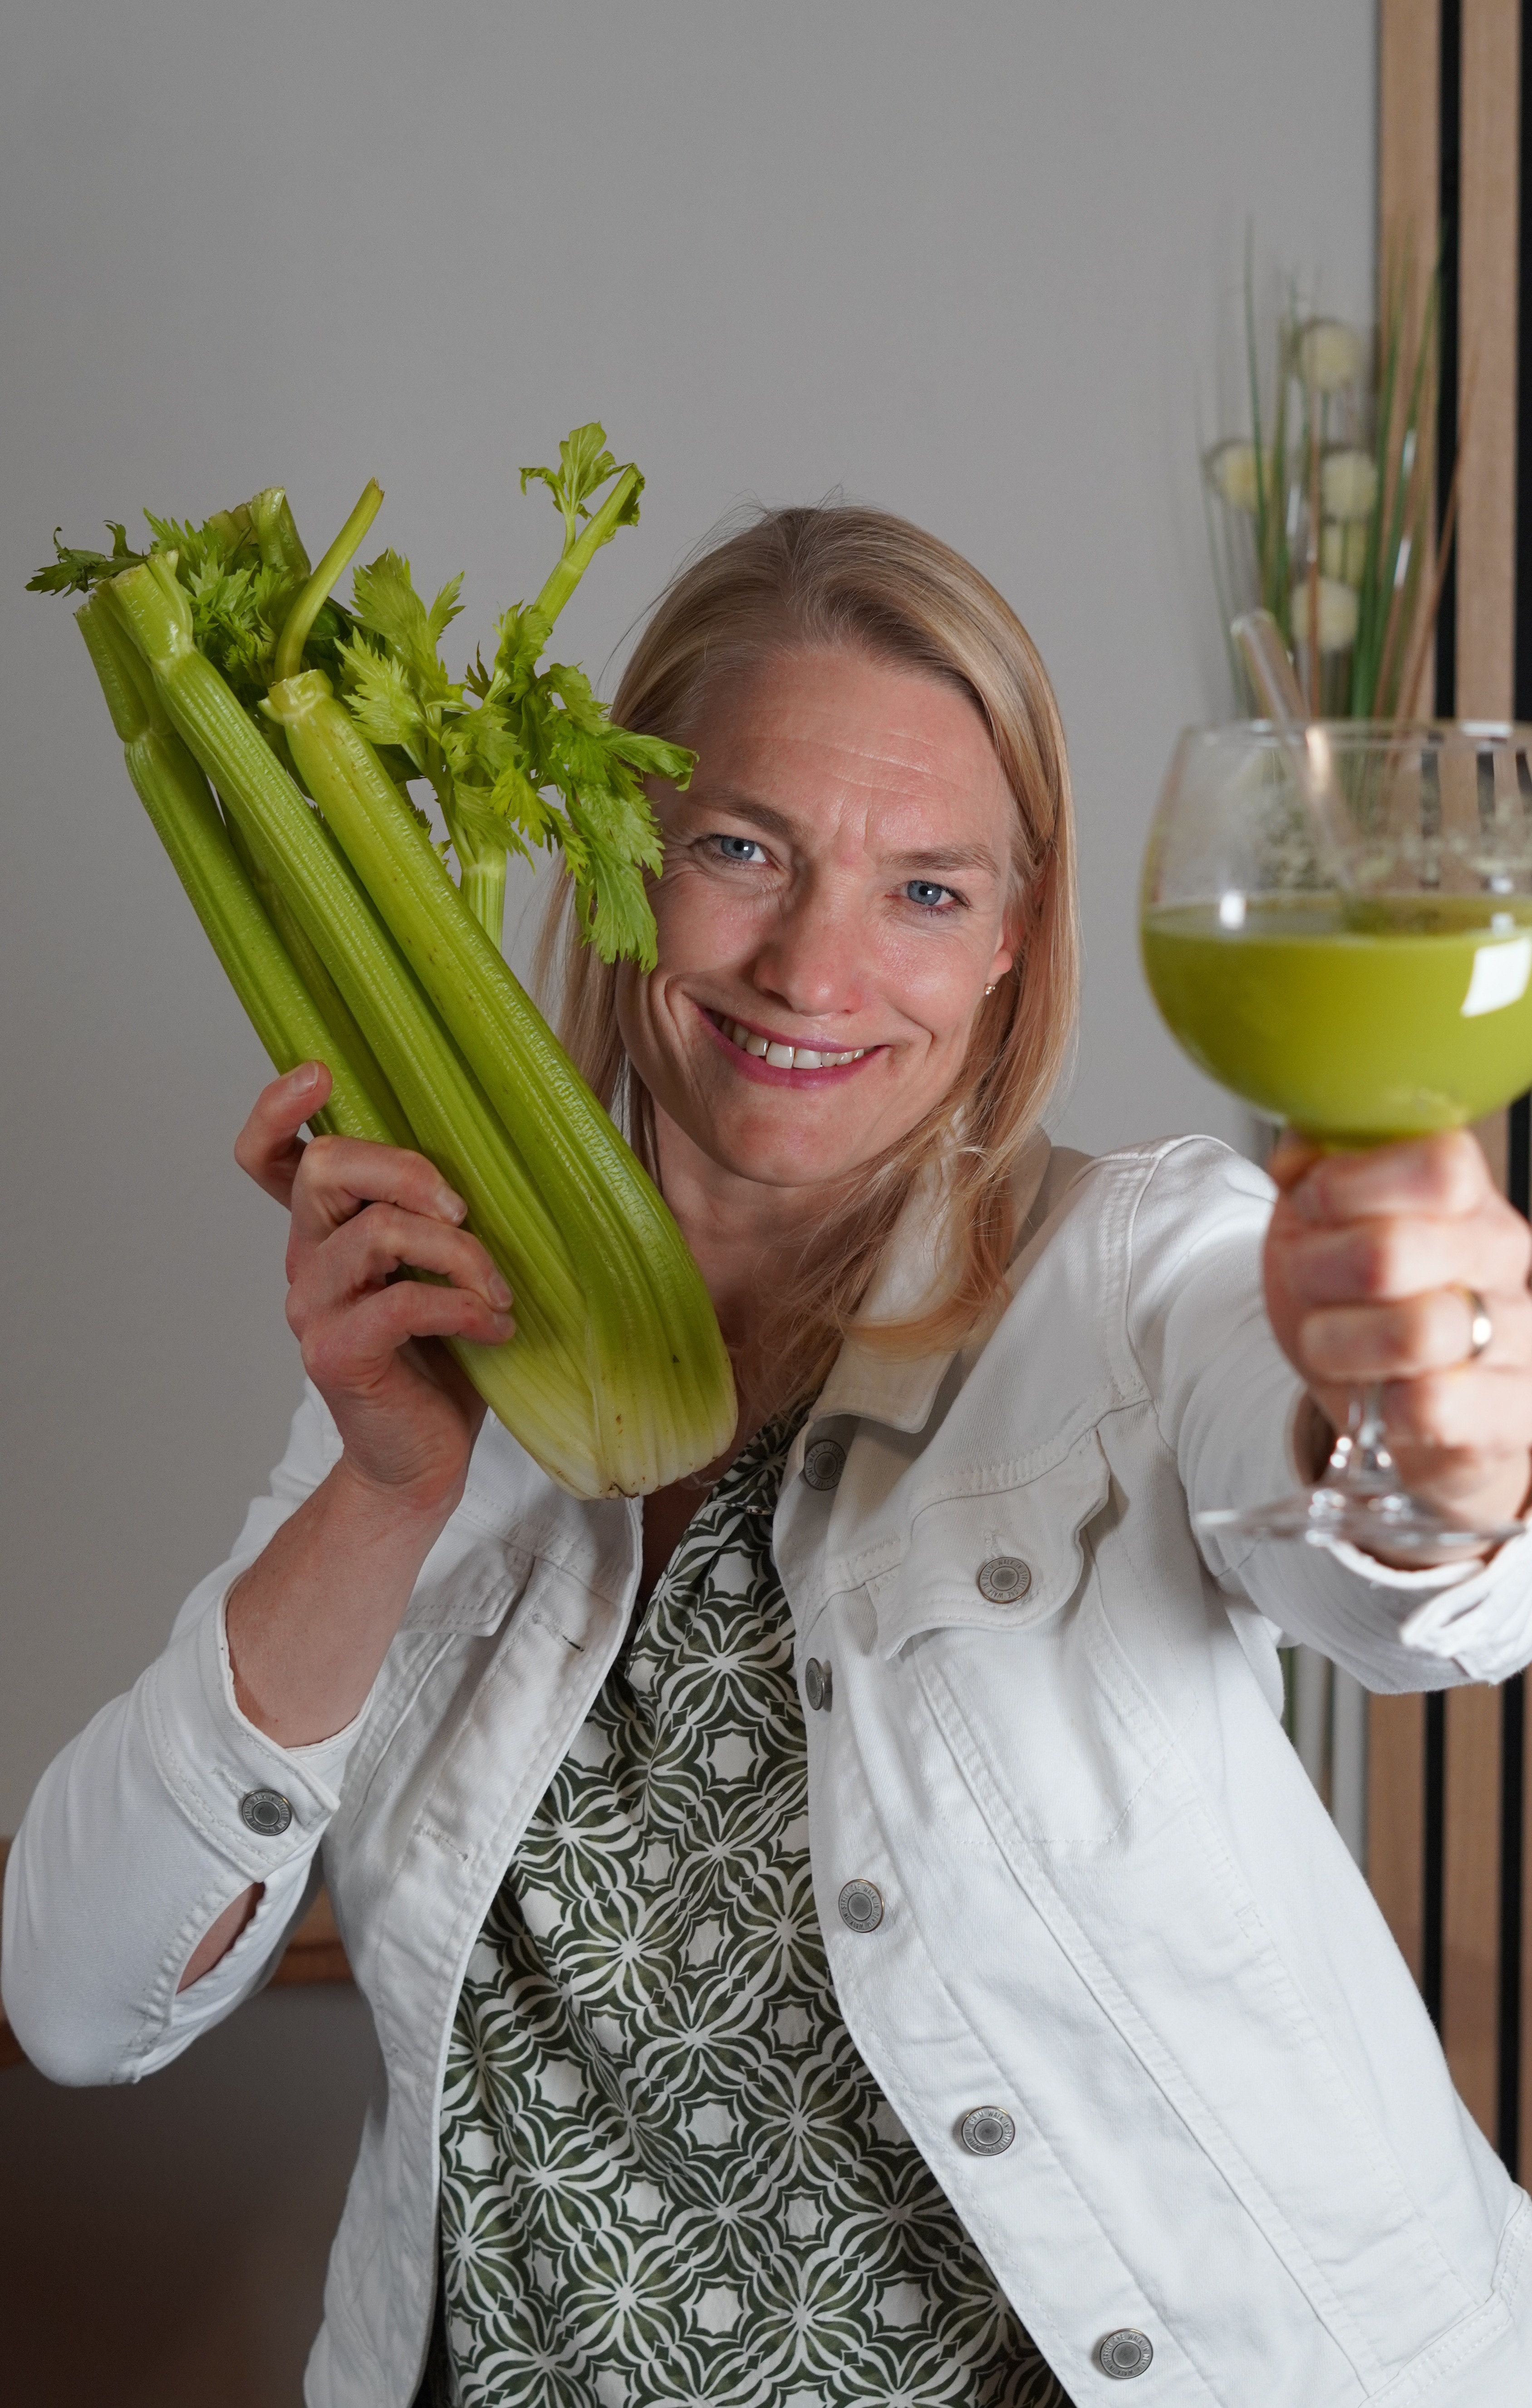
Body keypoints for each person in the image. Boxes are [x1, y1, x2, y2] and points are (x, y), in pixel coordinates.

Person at [6, 504, 1532, 2408]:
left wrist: (1434, 1432)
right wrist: (386, 1487)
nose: (815, 969)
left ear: (1013, 942)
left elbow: (1419, 1583)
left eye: (927, 890)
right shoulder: (447, 1365)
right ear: (615, 852)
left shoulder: (1135, 1276)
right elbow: (79, 2003)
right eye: (741, 849)